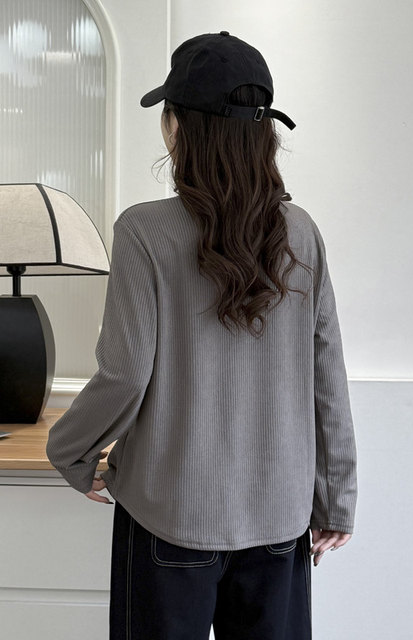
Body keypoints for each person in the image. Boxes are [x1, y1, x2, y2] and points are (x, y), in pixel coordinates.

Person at [46, 30, 358, 640]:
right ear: (264, 134)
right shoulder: (300, 232)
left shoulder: (143, 232)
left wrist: (71, 453)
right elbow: (327, 377)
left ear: (178, 127)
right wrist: (337, 497)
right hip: (279, 518)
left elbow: (125, 374)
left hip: (170, 515)